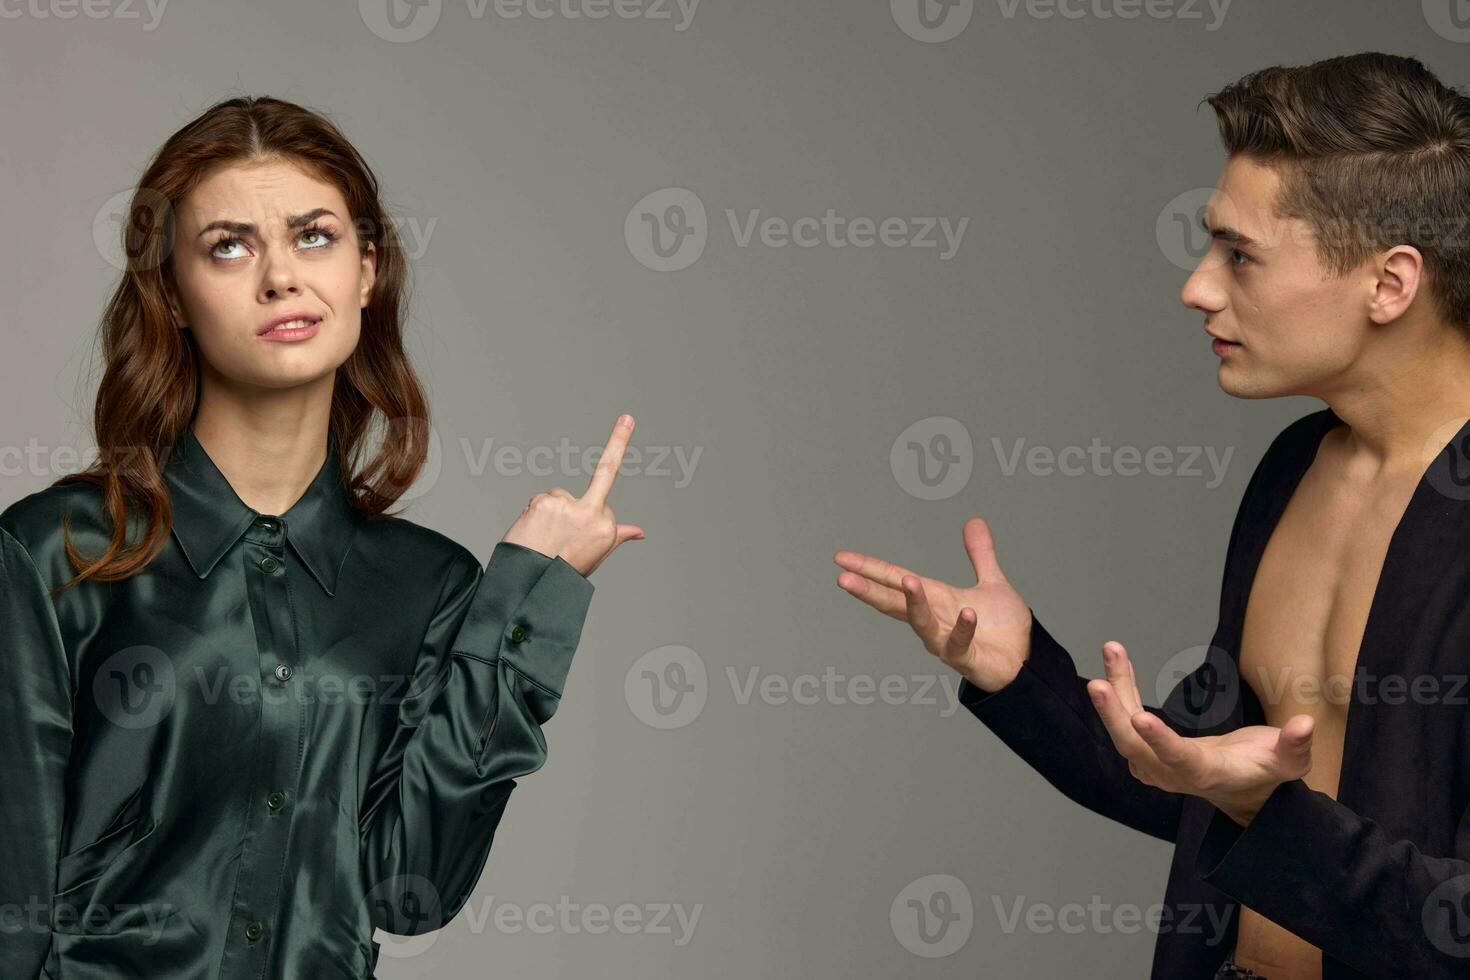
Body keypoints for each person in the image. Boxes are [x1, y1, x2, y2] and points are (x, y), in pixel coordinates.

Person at [835, 52, 1470, 980]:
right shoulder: (1297, 467)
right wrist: (1023, 675)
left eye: (1240, 255)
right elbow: (1193, 781)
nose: (1198, 287)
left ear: (1390, 282)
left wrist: (1269, 815)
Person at [0, 95, 645, 980]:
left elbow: (409, 888)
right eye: (229, 246)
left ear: (367, 270)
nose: (280, 278)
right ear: (174, 296)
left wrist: (524, 602)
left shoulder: (429, 585)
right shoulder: (53, 555)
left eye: (314, 236)